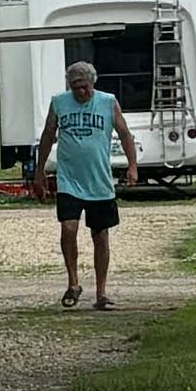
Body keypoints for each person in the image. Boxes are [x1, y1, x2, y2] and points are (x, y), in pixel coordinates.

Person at [39, 46, 138, 307]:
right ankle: (73, 283)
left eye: (84, 87)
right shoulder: (59, 102)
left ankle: (101, 292)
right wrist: (39, 172)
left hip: (99, 180)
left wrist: (132, 165)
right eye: (75, 87)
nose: (80, 92)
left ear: (92, 84)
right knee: (68, 228)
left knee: (100, 234)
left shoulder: (107, 102)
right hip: (69, 178)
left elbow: (125, 133)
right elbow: (48, 135)